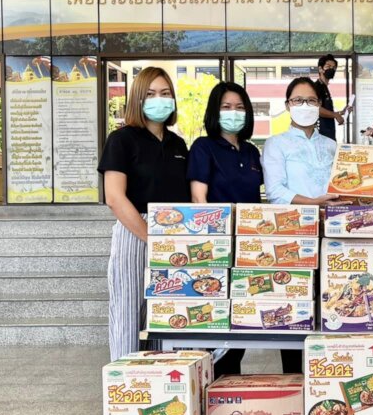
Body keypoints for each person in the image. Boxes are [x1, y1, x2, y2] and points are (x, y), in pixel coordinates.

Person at [99, 67, 190, 361]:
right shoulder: (122, 139)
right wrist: (151, 237)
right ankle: (125, 381)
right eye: (150, 94)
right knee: (128, 312)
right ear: (138, 99)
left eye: (165, 93)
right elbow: (114, 197)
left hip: (174, 235)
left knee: (166, 314)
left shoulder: (178, 144)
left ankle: (160, 380)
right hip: (135, 231)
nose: (159, 99)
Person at [261, 77, 341, 373]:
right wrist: (314, 203)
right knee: (293, 311)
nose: (305, 105)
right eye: (298, 100)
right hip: (292, 238)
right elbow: (275, 192)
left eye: (311, 100)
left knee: (332, 306)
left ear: (320, 106)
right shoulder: (275, 144)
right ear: (287, 105)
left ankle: (327, 376)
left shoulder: (331, 146)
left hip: (332, 237)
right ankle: (294, 381)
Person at [188, 81, 263, 377]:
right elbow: (199, 199)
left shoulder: (251, 152)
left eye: (240, 107)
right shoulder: (203, 147)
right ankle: (212, 386)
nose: (234, 113)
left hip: (249, 250)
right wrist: (217, 246)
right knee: (217, 327)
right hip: (217, 248)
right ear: (214, 112)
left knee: (241, 325)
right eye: (226, 107)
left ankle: (230, 387)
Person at [314, 54, 351, 140]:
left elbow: (326, 110)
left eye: (334, 68)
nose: (332, 69)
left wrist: (341, 112)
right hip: (321, 135)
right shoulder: (317, 87)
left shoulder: (325, 87)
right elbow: (316, 108)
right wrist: (335, 115)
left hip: (329, 134)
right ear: (320, 69)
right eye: (328, 66)